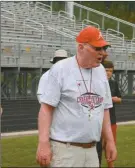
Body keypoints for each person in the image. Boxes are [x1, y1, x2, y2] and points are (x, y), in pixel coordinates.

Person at [36, 26, 117, 167]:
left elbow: (105, 109)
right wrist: (43, 143)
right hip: (65, 150)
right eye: (97, 49)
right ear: (81, 47)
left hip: (92, 149)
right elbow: (46, 109)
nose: (103, 53)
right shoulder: (60, 69)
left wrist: (110, 141)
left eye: (104, 49)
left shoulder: (101, 71)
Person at [96, 60, 122, 168]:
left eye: (111, 71)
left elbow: (120, 99)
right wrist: (108, 99)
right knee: (97, 146)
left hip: (111, 118)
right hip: (97, 119)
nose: (108, 73)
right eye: (106, 70)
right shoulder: (96, 83)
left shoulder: (114, 83)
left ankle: (111, 165)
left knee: (110, 145)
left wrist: (114, 99)